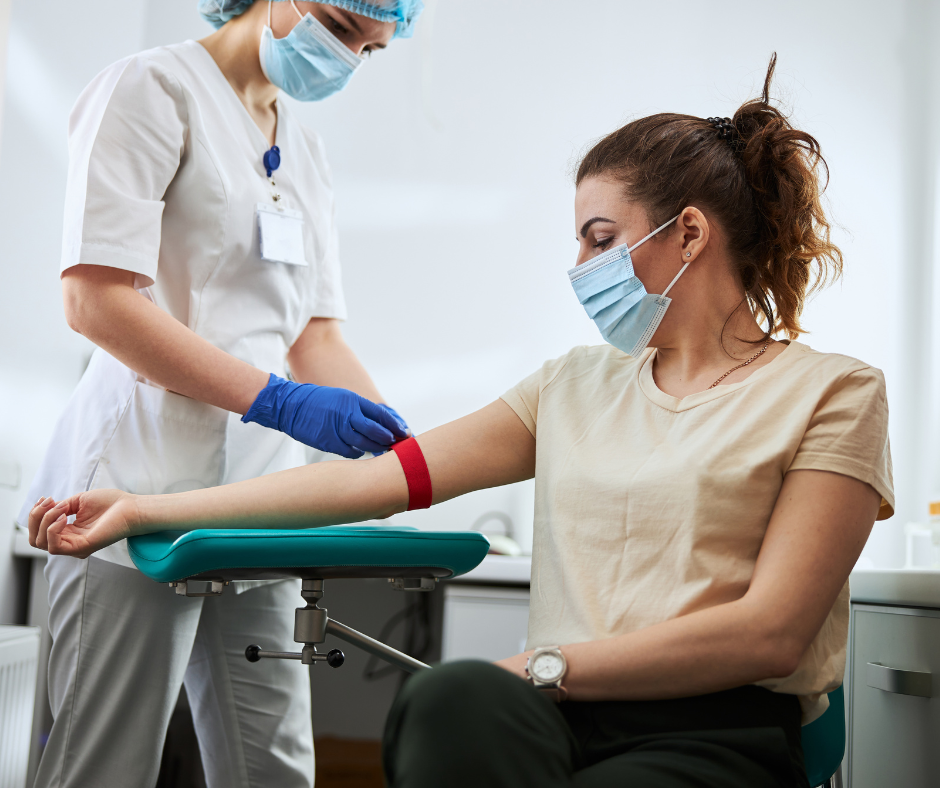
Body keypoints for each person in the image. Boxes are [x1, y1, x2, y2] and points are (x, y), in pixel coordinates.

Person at [30, 56, 893, 788]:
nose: (580, 267)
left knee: (495, 697)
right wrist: (146, 509)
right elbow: (370, 482)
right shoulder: (574, 386)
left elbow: (772, 633)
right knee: (446, 698)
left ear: (689, 233)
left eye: (599, 238)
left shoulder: (833, 393)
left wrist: (541, 670)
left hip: (714, 729)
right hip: (561, 717)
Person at [19, 1, 422, 786]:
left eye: (370, 50)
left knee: (273, 765)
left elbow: (315, 338)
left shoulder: (304, 151)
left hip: (257, 504)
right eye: (341, 27)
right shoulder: (152, 89)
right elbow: (97, 299)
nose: (346, 58)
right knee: (107, 766)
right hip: (135, 481)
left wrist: (409, 455)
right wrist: (278, 400)